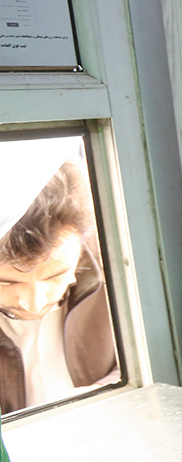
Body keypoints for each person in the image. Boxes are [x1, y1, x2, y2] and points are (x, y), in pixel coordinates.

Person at [0, 153, 118, 414]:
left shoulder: (122, 271)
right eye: (6, 283)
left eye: (54, 276)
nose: (33, 303)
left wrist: (106, 393)